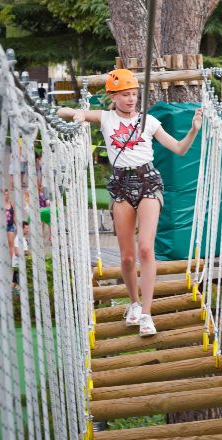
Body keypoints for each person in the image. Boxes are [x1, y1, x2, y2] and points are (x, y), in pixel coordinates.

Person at [57, 68, 202, 336]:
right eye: (125, 95)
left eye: (134, 94)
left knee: (146, 249)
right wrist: (76, 114)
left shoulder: (149, 122)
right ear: (113, 97)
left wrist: (193, 131)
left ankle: (147, 314)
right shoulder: (106, 118)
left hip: (148, 182)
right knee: (126, 256)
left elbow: (180, 149)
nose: (131, 99)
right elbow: (61, 113)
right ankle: (134, 304)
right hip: (121, 185)